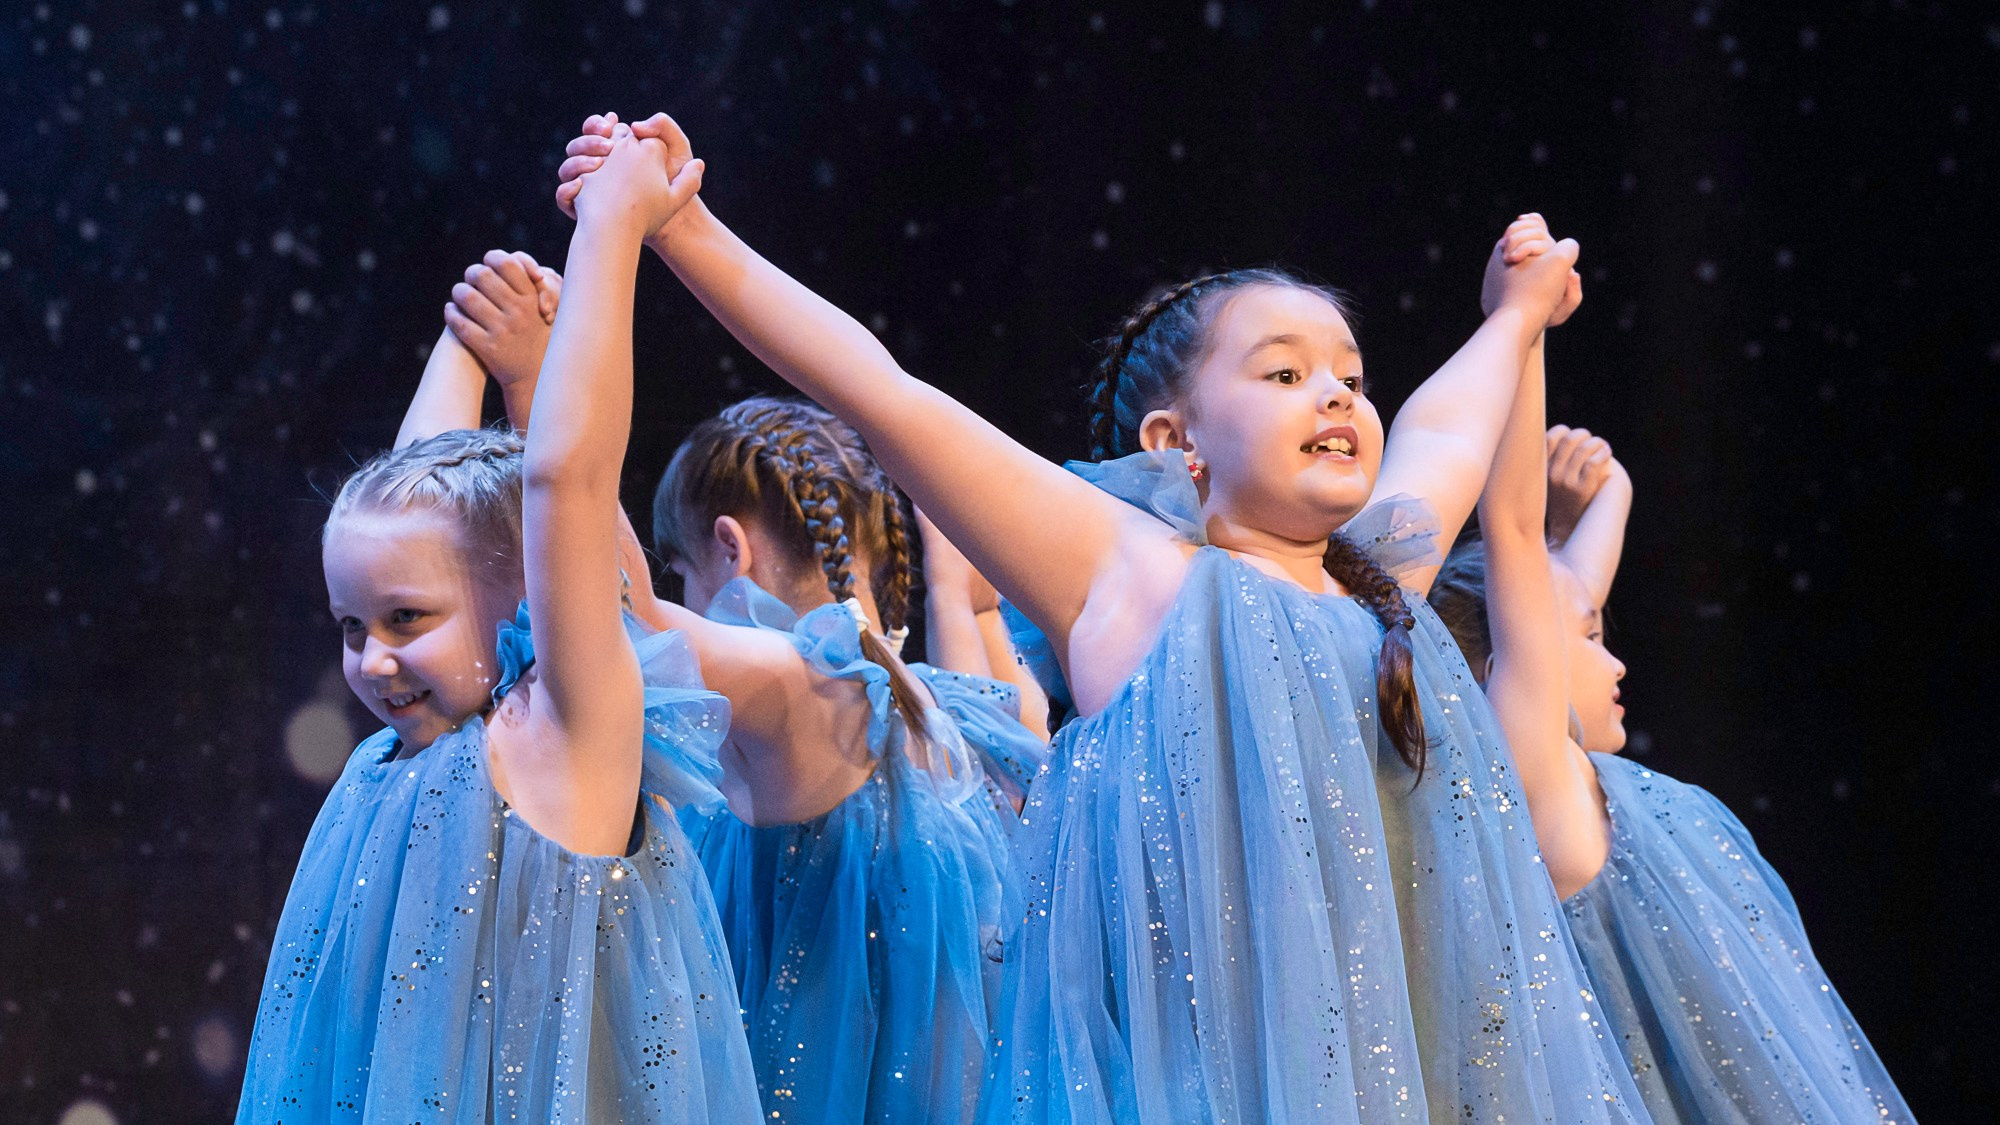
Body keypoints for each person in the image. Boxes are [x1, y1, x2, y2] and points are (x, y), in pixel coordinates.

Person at [557, 113, 1647, 1123]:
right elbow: (881, 391)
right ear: (1177, 443)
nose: (1335, 396)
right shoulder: (1132, 575)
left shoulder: (1376, 585)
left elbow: (1450, 431)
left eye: (1348, 377)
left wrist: (1515, 316)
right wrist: (685, 228)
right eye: (1283, 372)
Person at [236, 140, 762, 1120]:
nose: (372, 658)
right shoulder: (398, 761)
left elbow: (566, 479)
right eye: (349, 627)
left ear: (522, 590)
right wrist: (468, 344)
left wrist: (610, 228)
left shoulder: (567, 728)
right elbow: (425, 523)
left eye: (404, 620)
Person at [1442, 314, 1913, 1121]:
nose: (1616, 658)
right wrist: (1522, 320)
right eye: (1589, 639)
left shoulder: (1584, 779)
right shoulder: (1537, 785)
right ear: (1507, 668)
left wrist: (1610, 493)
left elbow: (1560, 576)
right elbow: (1512, 530)